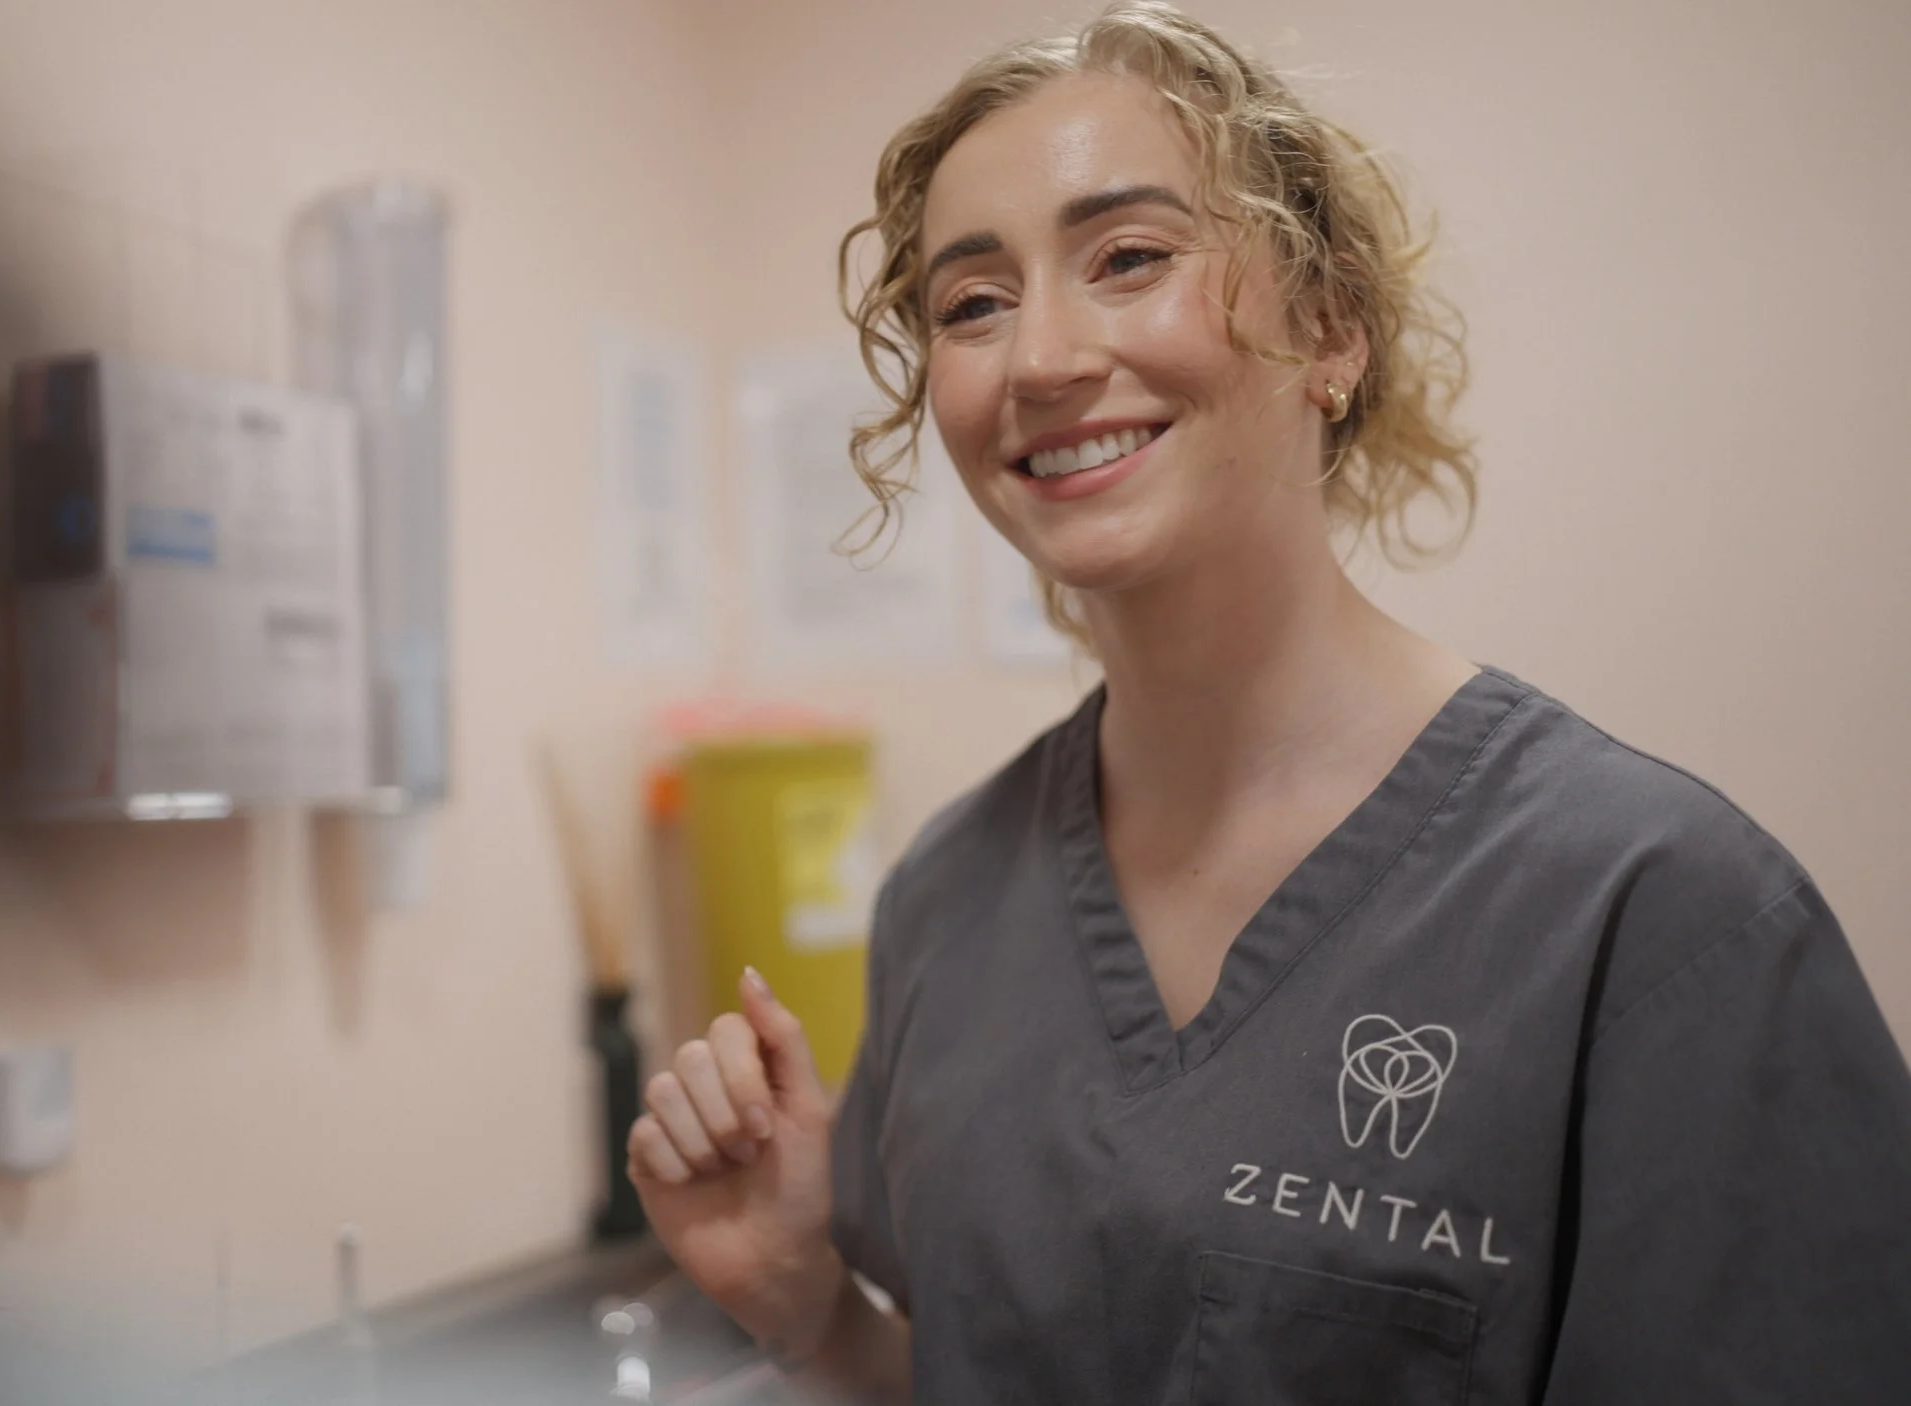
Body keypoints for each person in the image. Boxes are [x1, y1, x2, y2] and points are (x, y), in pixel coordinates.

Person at [624, 3, 1911, 1401]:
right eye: (973, 303)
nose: (1041, 359)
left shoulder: (1655, 919)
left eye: (1129, 257)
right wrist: (816, 1311)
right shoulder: (944, 904)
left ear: (1335, 330)